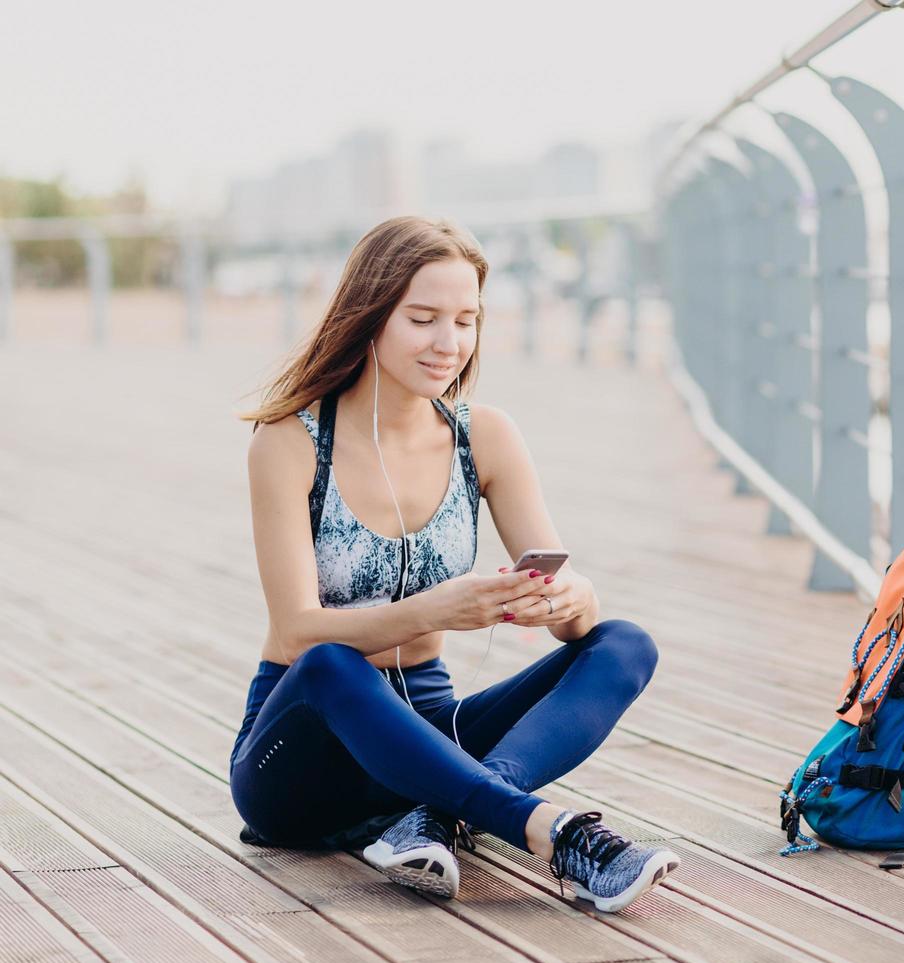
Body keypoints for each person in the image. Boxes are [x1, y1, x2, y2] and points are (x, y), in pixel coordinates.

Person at [231, 215, 678, 912]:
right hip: (301, 763)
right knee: (328, 660)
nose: (449, 343)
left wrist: (569, 599)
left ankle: (443, 810)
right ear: (370, 315)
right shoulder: (289, 442)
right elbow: (294, 635)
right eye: (423, 319)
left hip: (431, 742)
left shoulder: (485, 438)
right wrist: (436, 609)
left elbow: (568, 613)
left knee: (624, 643)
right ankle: (544, 830)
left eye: (467, 320)